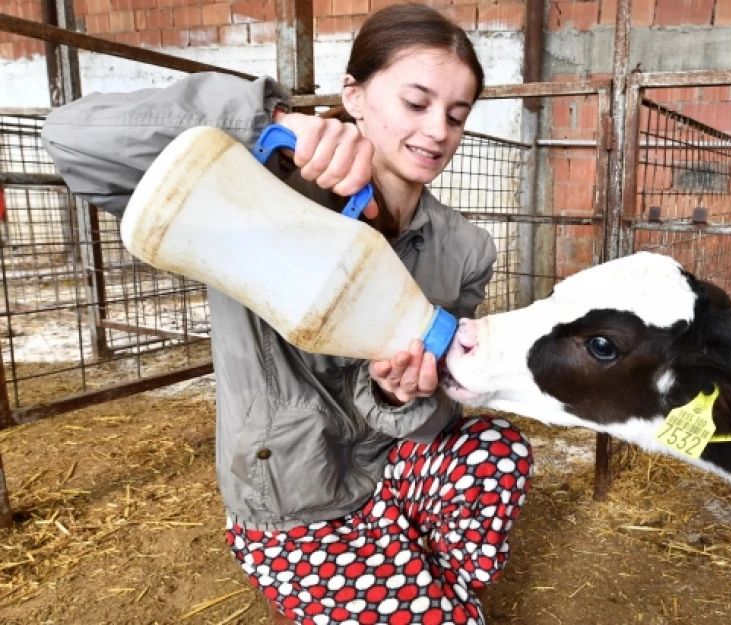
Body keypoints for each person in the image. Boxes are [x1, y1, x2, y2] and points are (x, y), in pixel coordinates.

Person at [41, 5, 533, 624]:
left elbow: (433, 410)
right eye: (416, 103)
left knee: (496, 449)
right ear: (353, 94)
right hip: (297, 494)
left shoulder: (465, 248)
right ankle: (404, 590)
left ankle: (421, 589)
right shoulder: (260, 186)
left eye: (456, 115)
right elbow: (70, 140)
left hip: (388, 465)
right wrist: (270, 120)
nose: (438, 130)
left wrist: (399, 393)